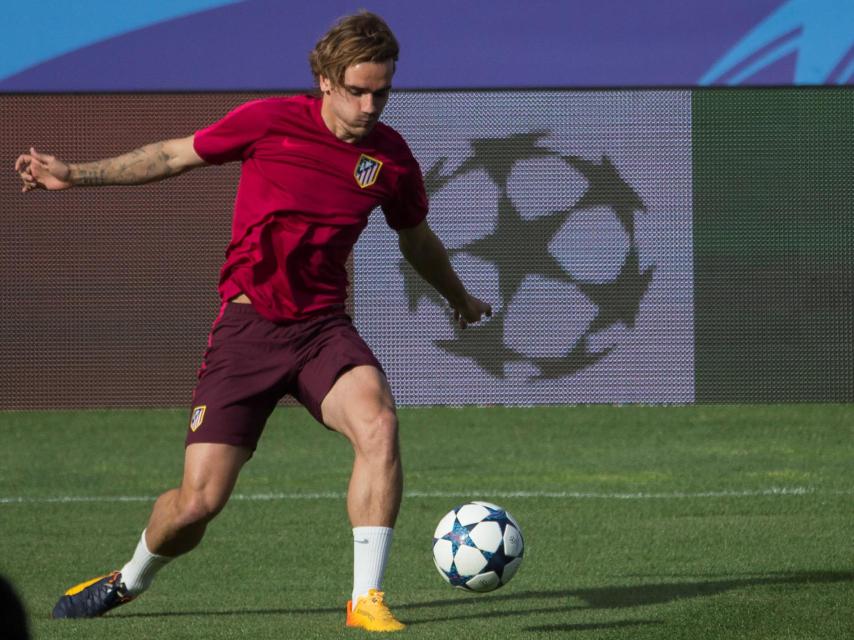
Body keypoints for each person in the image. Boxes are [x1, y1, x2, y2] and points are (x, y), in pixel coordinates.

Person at [15, 11, 490, 633]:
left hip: (321, 328)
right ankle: (127, 579)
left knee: (378, 424)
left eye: (382, 91)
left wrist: (459, 295)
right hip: (248, 332)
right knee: (196, 505)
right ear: (326, 80)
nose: (371, 104)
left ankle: (365, 599)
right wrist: (74, 174)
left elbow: (418, 241)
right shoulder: (270, 122)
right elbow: (169, 155)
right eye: (358, 90)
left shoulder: (391, 160)